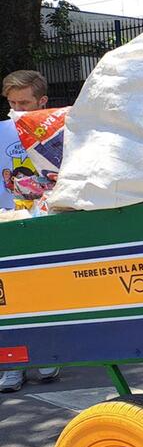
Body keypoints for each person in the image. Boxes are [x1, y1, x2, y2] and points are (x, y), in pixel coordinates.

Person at [1, 70, 60, 392]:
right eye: (11, 103)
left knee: (42, 289)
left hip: (45, 219)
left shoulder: (58, 129)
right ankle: (13, 365)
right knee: (6, 295)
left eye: (24, 103)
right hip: (8, 219)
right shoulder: (2, 133)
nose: (17, 109)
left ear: (42, 101)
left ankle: (46, 353)